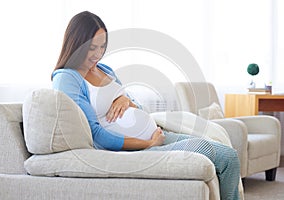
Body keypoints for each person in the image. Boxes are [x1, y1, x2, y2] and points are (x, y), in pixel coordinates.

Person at [51, 11, 240, 200]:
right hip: (135, 148)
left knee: (229, 157)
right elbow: (95, 134)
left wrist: (125, 100)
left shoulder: (104, 69)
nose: (98, 54)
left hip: (155, 135)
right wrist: (148, 143)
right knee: (205, 149)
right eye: (92, 48)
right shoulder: (67, 78)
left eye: (102, 47)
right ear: (76, 44)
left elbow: (138, 107)